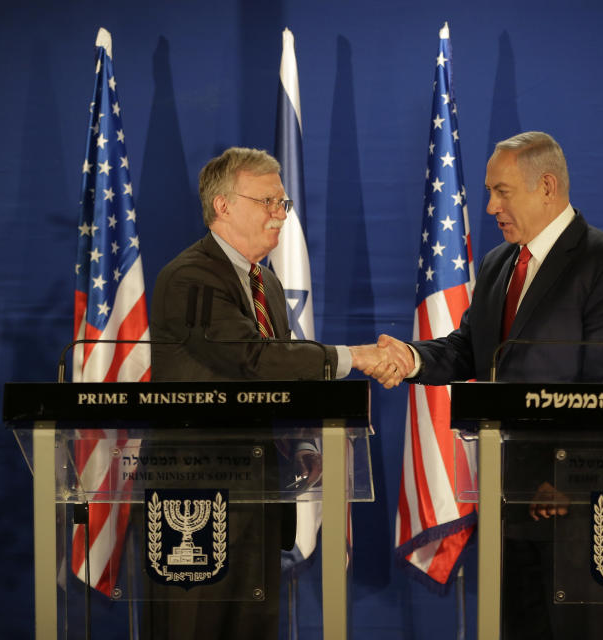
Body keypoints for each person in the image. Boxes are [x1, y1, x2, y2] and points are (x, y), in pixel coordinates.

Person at [376, 131, 603, 639]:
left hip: (576, 506)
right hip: (509, 495)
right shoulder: (501, 263)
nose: (489, 206)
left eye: (501, 191)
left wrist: (563, 478)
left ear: (546, 185)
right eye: (488, 192)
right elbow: (468, 349)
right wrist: (410, 358)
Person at [145, 147, 408, 639]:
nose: (279, 214)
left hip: (257, 487)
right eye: (267, 201)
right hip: (196, 493)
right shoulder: (191, 277)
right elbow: (253, 359)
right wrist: (356, 356)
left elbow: (281, 386)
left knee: (254, 627)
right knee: (194, 628)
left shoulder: (265, 282)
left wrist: (305, 443)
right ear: (223, 206)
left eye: (283, 204)